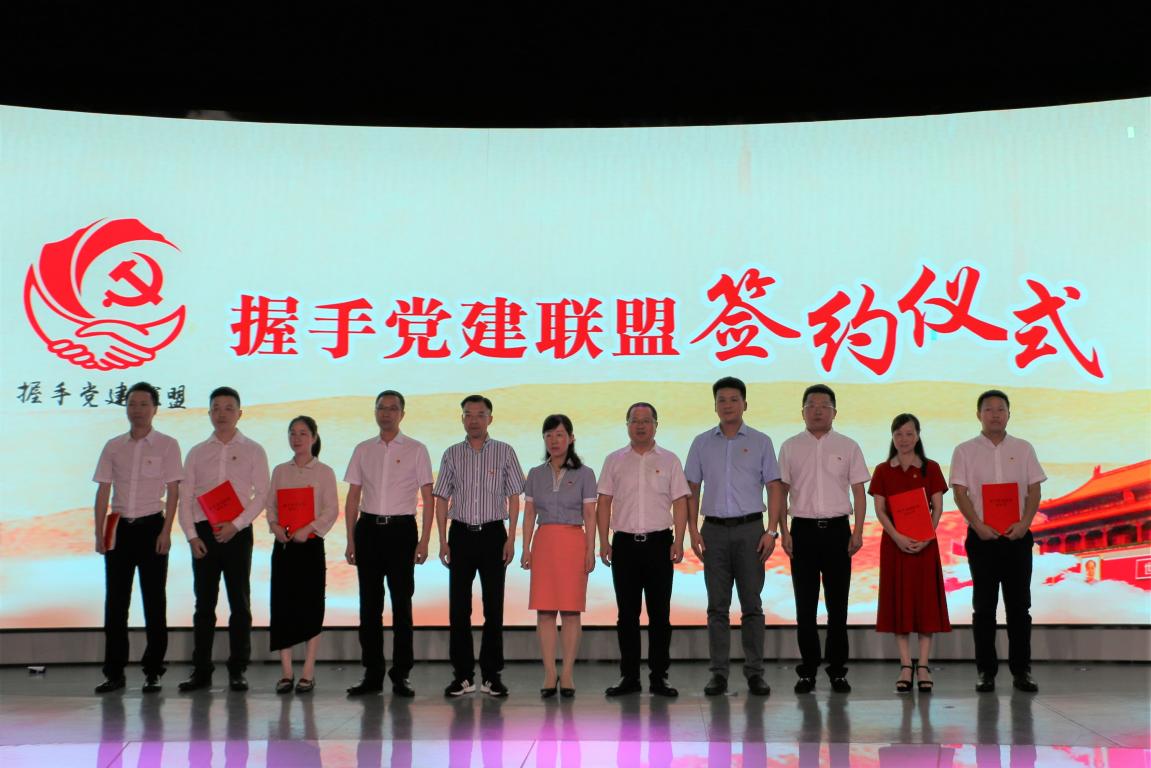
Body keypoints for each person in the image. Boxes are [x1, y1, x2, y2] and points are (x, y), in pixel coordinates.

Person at [685, 376, 782, 697]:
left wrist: (772, 531)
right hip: (713, 530)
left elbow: (774, 487)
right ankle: (718, 674)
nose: (727, 405)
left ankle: (755, 673)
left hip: (751, 530)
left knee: (752, 605)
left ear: (745, 404)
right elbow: (691, 488)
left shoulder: (761, 441)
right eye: (722, 400)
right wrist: (692, 530)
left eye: (733, 399)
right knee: (717, 607)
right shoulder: (701, 442)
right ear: (715, 405)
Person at [950, 389, 1046, 693]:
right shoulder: (965, 451)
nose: (995, 414)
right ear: (979, 414)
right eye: (989, 409)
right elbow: (960, 493)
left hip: (1017, 537)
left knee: (1019, 608)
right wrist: (978, 525)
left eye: (1000, 409)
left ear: (1008, 414)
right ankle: (986, 672)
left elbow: (1035, 490)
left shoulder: (1024, 448)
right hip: (982, 539)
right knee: (984, 608)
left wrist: (1025, 524)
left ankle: (1022, 671)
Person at [92, 382, 184, 694]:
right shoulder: (113, 446)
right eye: (132, 404)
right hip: (118, 528)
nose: (138, 410)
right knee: (116, 603)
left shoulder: (168, 445)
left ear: (155, 408)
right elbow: (103, 490)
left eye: (144, 404)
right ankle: (114, 672)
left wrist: (166, 531)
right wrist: (99, 532)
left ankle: (153, 670)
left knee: (154, 601)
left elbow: (174, 491)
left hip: (151, 527)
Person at [777, 384, 869, 694]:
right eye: (811, 405)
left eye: (824, 405)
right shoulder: (790, 447)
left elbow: (858, 491)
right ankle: (807, 671)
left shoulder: (848, 445)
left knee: (837, 606)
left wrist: (858, 531)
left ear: (834, 412)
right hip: (802, 531)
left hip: (837, 531)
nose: (817, 410)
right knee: (804, 606)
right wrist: (783, 531)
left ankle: (838, 671)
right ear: (802, 411)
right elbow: (781, 492)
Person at [177, 386, 270, 692]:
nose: (222, 414)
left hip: (237, 532)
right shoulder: (196, 452)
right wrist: (191, 536)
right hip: (204, 534)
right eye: (216, 408)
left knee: (239, 603)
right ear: (209, 413)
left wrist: (237, 524)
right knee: (204, 605)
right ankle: (201, 670)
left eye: (229, 408)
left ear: (239, 413)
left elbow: (263, 495)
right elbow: (186, 498)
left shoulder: (254, 450)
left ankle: (238, 669)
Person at [343, 390, 434, 698]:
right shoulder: (362, 449)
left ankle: (401, 674)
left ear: (402, 414)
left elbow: (428, 498)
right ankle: (372, 673)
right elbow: (353, 497)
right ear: (375, 412)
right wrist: (350, 538)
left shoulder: (417, 449)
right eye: (381, 408)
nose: (386, 413)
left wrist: (424, 539)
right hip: (368, 530)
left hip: (401, 532)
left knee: (401, 605)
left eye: (393, 408)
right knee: (369, 606)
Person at [597, 402, 690, 698]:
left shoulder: (670, 460)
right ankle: (629, 677)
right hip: (624, 545)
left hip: (659, 544)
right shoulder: (614, 460)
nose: (640, 425)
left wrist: (679, 541)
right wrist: (603, 541)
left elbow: (680, 502)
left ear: (656, 425)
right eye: (634, 420)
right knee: (627, 615)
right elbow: (604, 502)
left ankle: (659, 677)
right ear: (627, 425)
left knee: (660, 615)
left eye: (646, 420)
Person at [434, 395, 524, 698]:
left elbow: (514, 497)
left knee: (493, 607)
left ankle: (491, 676)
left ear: (490, 419)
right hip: (460, 534)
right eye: (468, 414)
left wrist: (511, 538)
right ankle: (462, 676)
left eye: (480, 414)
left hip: (493, 534)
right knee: (459, 609)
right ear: (462, 418)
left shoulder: (504, 452)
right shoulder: (451, 454)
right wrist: (442, 540)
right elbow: (441, 498)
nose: (474, 420)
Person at [868, 413, 951, 694]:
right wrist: (897, 536)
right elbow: (880, 510)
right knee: (899, 602)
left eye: (909, 433)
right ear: (892, 437)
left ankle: (923, 665)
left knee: (925, 604)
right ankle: (905, 665)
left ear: (918, 436)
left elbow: (937, 507)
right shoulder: (883, 470)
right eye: (898, 434)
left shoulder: (931, 468)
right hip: (895, 545)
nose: (903, 439)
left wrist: (927, 536)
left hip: (925, 545)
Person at [519, 414, 597, 698]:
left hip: (573, 541)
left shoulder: (585, 474)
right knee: (545, 610)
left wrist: (591, 549)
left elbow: (590, 514)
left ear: (571, 438)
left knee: (571, 610)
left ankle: (568, 674)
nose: (554, 440)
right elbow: (529, 513)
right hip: (545, 542)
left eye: (560, 434)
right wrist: (525, 547)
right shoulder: (535, 474)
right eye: (549, 435)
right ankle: (550, 673)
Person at [266, 416, 339, 694]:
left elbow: (331, 510)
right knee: (282, 607)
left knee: (311, 607)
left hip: (310, 546)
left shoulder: (324, 472)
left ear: (314, 437)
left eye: (303, 433)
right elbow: (271, 507)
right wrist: (275, 527)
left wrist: (307, 529)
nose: (296, 438)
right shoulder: (280, 471)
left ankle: (308, 671)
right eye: (292, 433)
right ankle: (286, 672)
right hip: (284, 547)